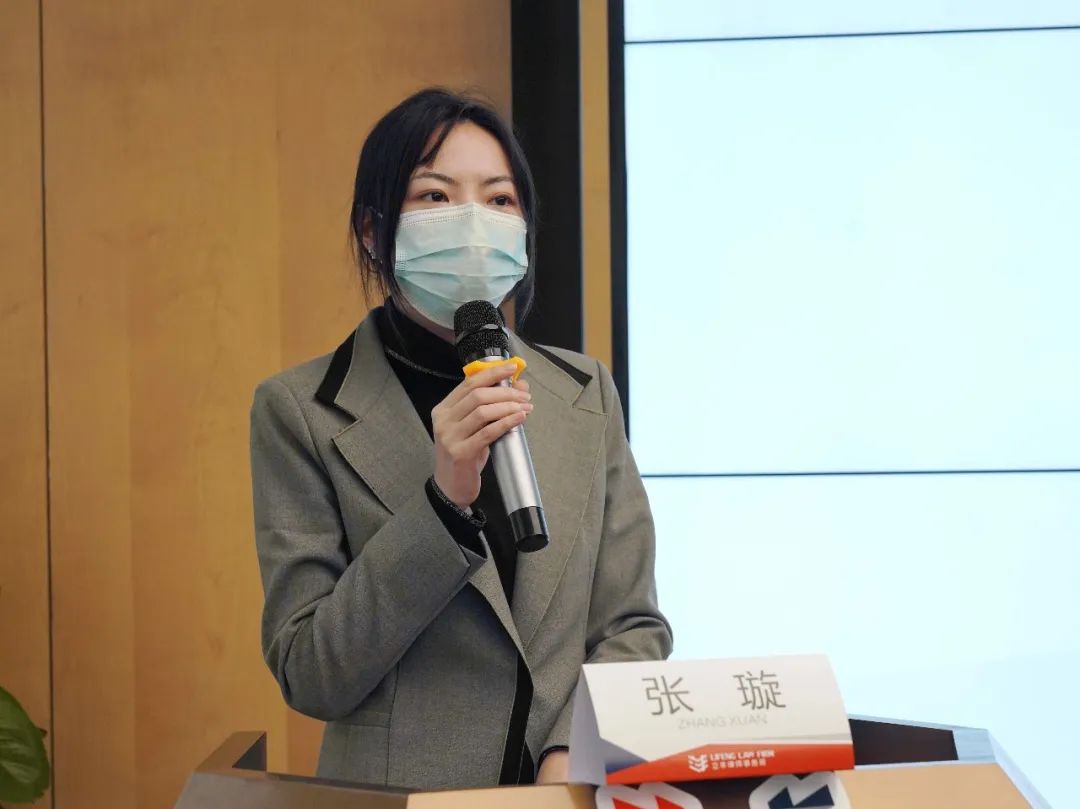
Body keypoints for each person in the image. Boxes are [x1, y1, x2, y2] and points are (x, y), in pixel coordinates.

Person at [250, 88, 672, 791]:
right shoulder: (300, 411)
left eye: (500, 199)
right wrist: (442, 504)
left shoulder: (585, 394)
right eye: (436, 196)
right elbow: (311, 672)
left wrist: (572, 750)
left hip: (562, 796)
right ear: (372, 231)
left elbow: (633, 626)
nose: (474, 222)